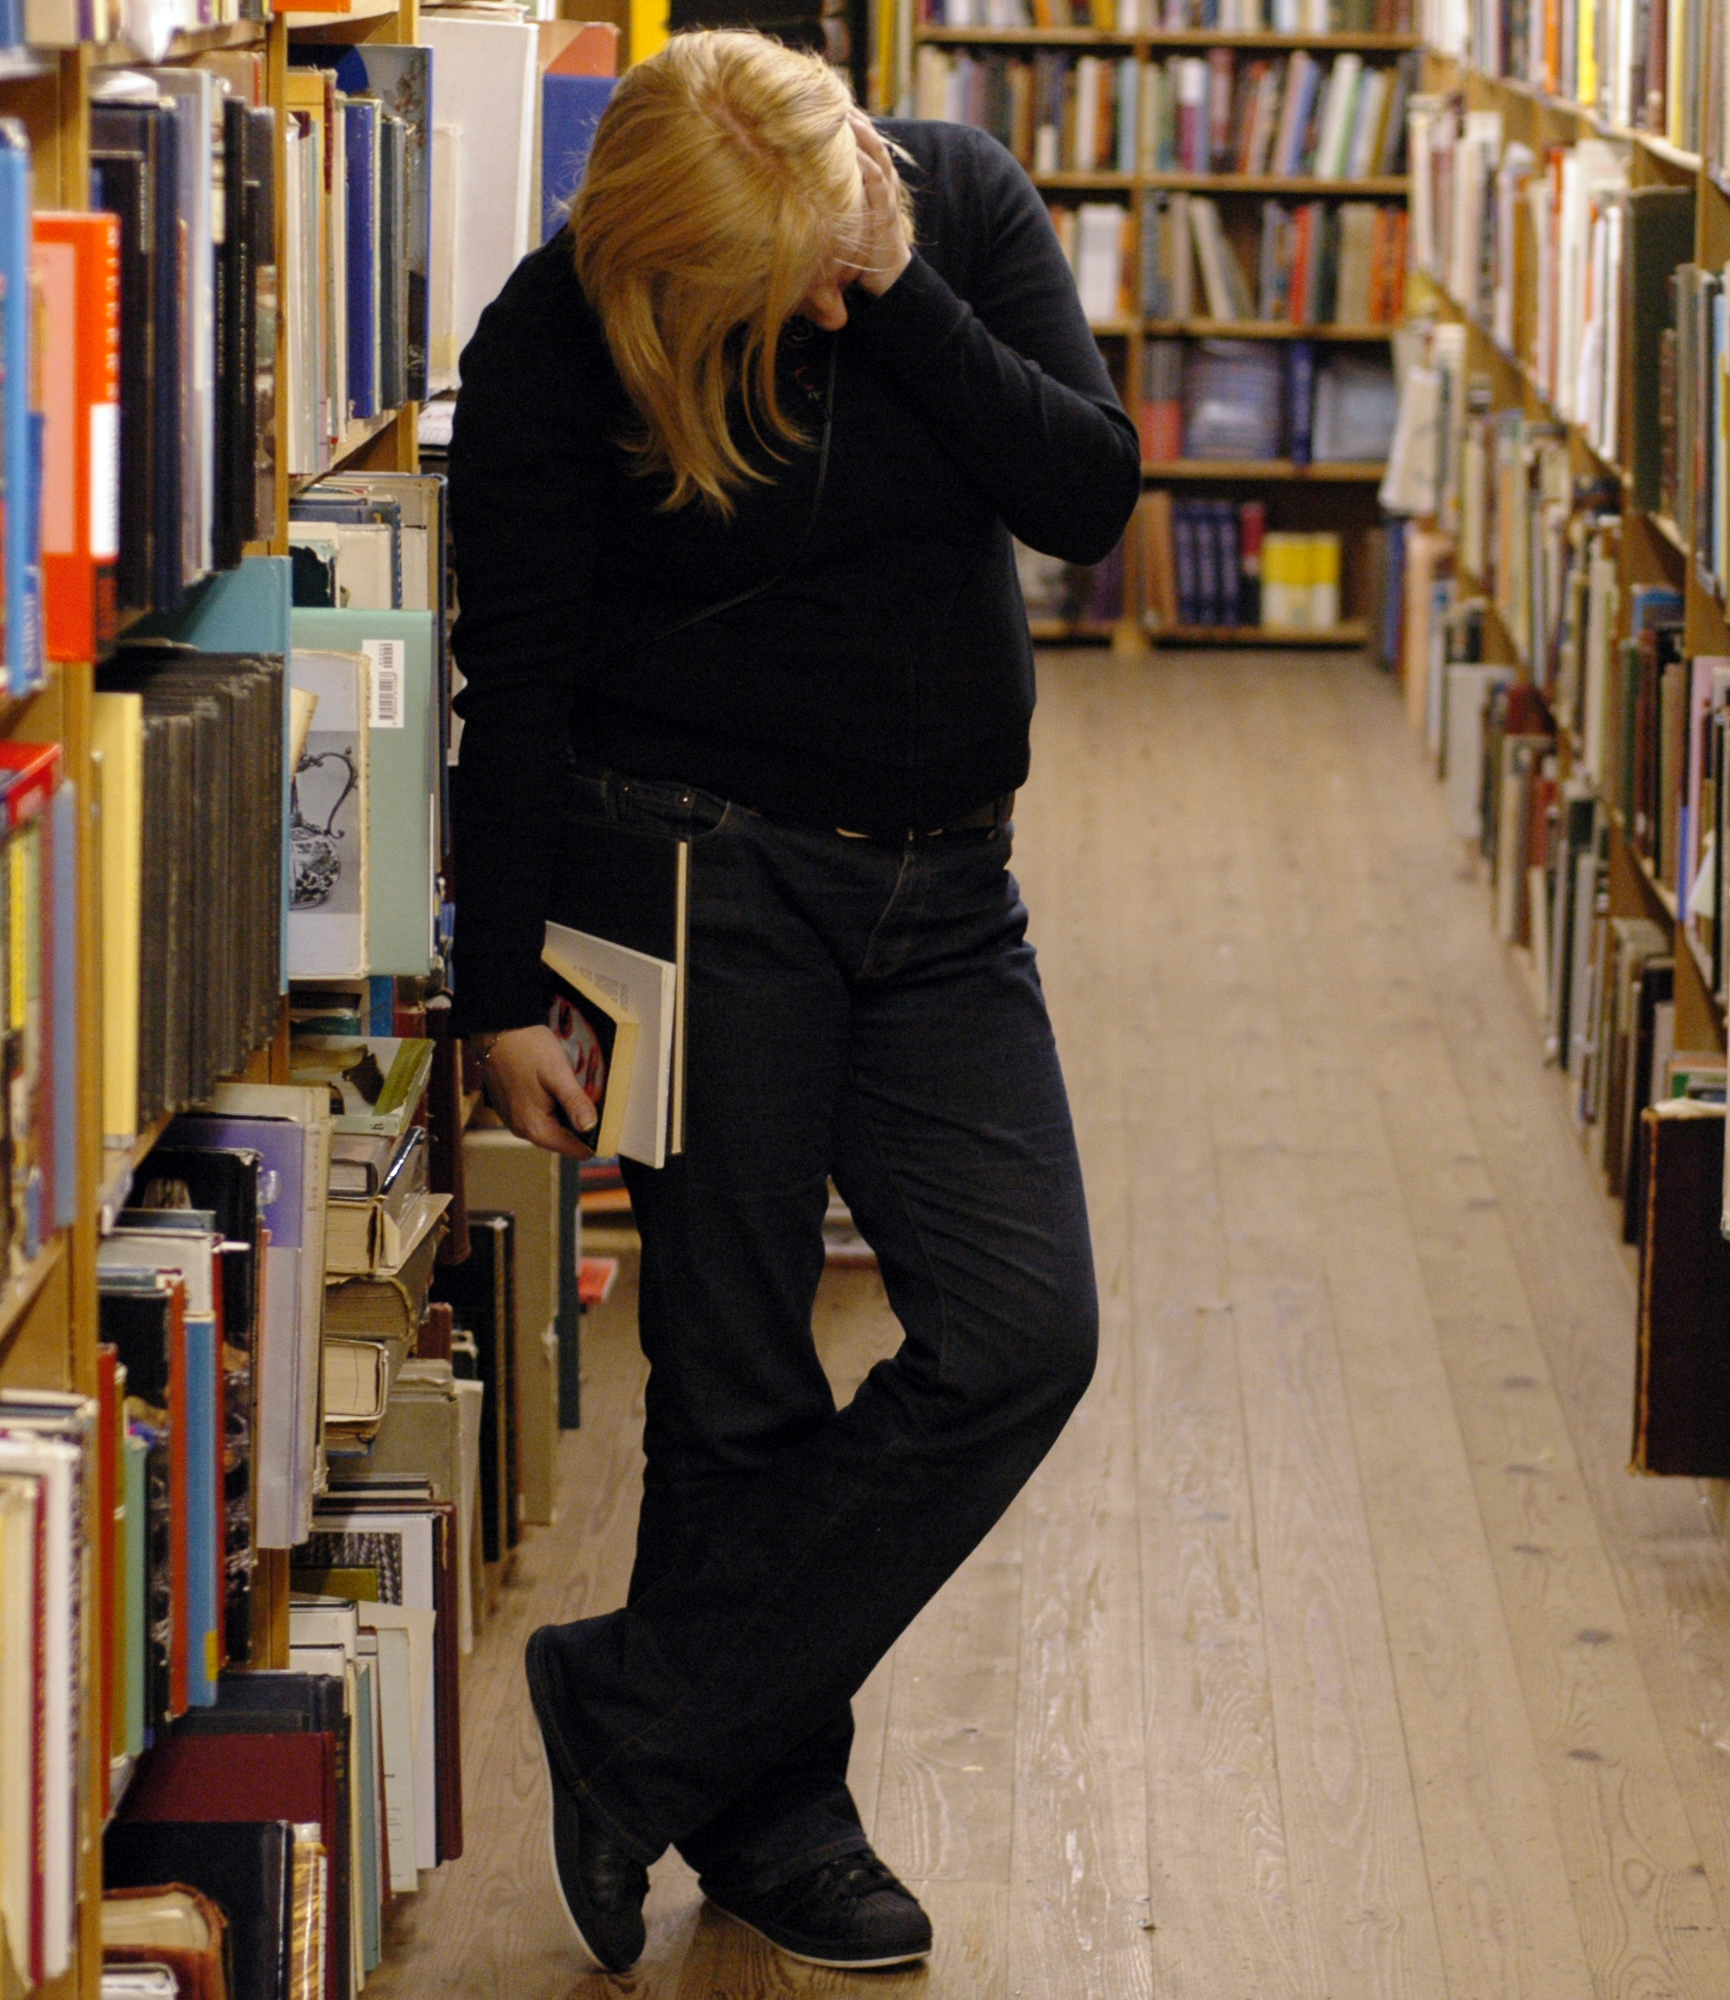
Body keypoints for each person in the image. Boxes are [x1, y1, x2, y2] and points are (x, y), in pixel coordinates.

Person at [440, 29, 1140, 1976]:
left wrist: (896, 295)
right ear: (673, 272)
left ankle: (641, 1708)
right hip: (693, 868)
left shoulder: (955, 210)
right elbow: (514, 682)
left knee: (1020, 1329)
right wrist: (500, 992)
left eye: (835, 237)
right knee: (736, 1375)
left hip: (948, 887)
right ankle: (777, 1813)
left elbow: (1080, 490)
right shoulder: (557, 340)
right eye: (777, 288)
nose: (811, 295)